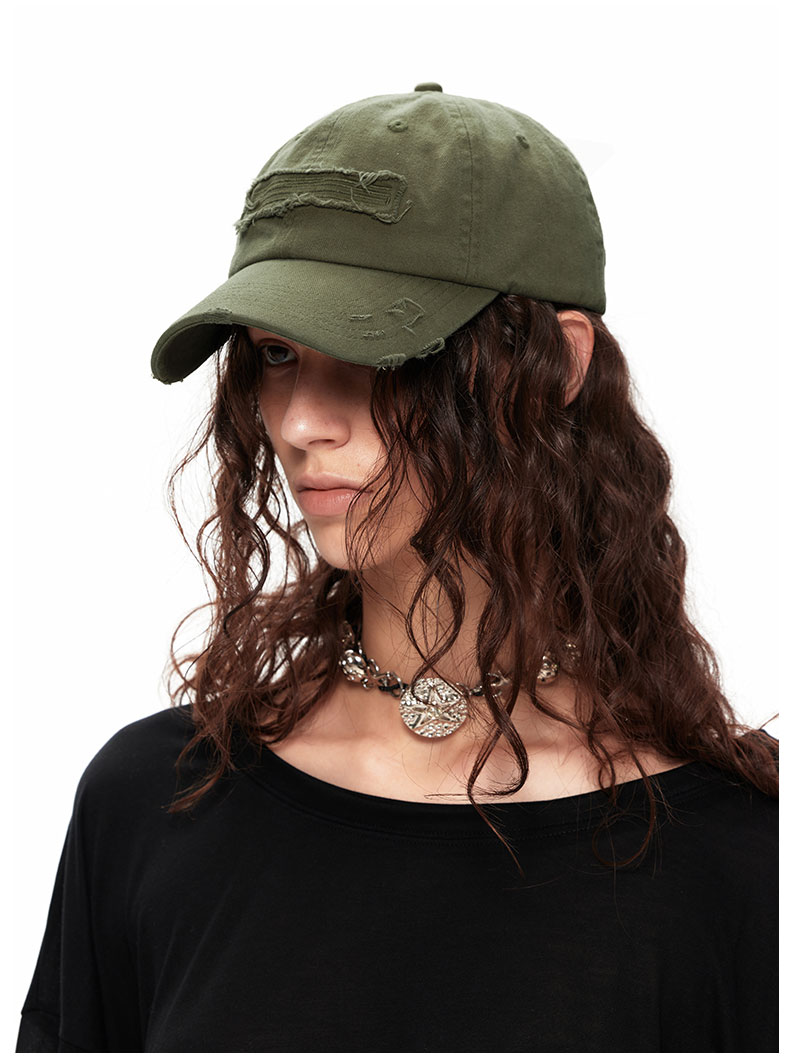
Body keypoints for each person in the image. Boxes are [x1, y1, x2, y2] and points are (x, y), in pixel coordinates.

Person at [17, 84, 778, 1053]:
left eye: (372, 348)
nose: (301, 421)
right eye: (277, 353)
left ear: (556, 362)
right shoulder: (154, 804)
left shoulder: (739, 856)